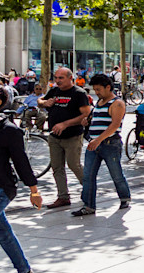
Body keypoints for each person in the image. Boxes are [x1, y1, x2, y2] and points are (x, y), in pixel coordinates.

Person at [0, 83, 43, 273]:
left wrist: (34, 191)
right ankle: (24, 272)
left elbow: (21, 163)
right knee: (2, 232)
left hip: (0, 188)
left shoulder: (10, 131)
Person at [72, 74, 130, 216]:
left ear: (108, 87)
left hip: (110, 144)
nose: (96, 92)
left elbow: (115, 125)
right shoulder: (99, 102)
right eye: (95, 90)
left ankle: (124, 197)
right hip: (94, 144)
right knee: (88, 176)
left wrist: (98, 139)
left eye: (99, 89)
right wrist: (87, 122)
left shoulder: (117, 103)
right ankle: (88, 205)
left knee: (116, 174)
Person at [38, 67, 91, 209]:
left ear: (70, 78)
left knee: (74, 165)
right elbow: (40, 100)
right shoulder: (54, 91)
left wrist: (65, 124)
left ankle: (90, 190)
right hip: (54, 136)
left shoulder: (79, 93)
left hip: (72, 136)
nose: (57, 81)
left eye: (61, 78)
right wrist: (44, 103)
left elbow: (86, 114)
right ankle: (63, 196)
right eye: (56, 77)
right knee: (57, 167)